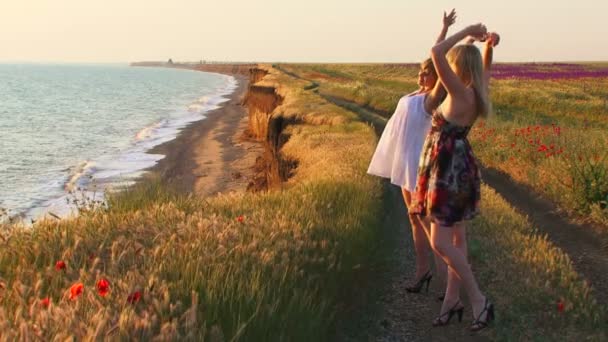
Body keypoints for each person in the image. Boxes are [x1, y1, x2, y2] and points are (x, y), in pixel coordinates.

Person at [411, 24, 498, 331]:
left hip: (446, 171)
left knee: (441, 242)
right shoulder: (478, 90)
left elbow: (435, 53)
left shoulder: (460, 92)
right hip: (458, 167)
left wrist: (466, 32)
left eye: (455, 62)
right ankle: (452, 300)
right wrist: (488, 46)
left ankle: (477, 299)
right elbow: (485, 68)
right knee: (457, 239)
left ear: (460, 67)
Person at [367, 9, 457, 295]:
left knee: (430, 225)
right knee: (413, 220)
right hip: (403, 162)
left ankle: (445, 281)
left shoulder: (431, 101)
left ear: (437, 77)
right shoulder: (414, 94)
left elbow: (439, 58)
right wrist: (441, 29)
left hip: (419, 167)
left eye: (427, 73)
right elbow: (432, 56)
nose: (421, 76)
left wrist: (446, 35)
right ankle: (423, 272)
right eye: (420, 71)